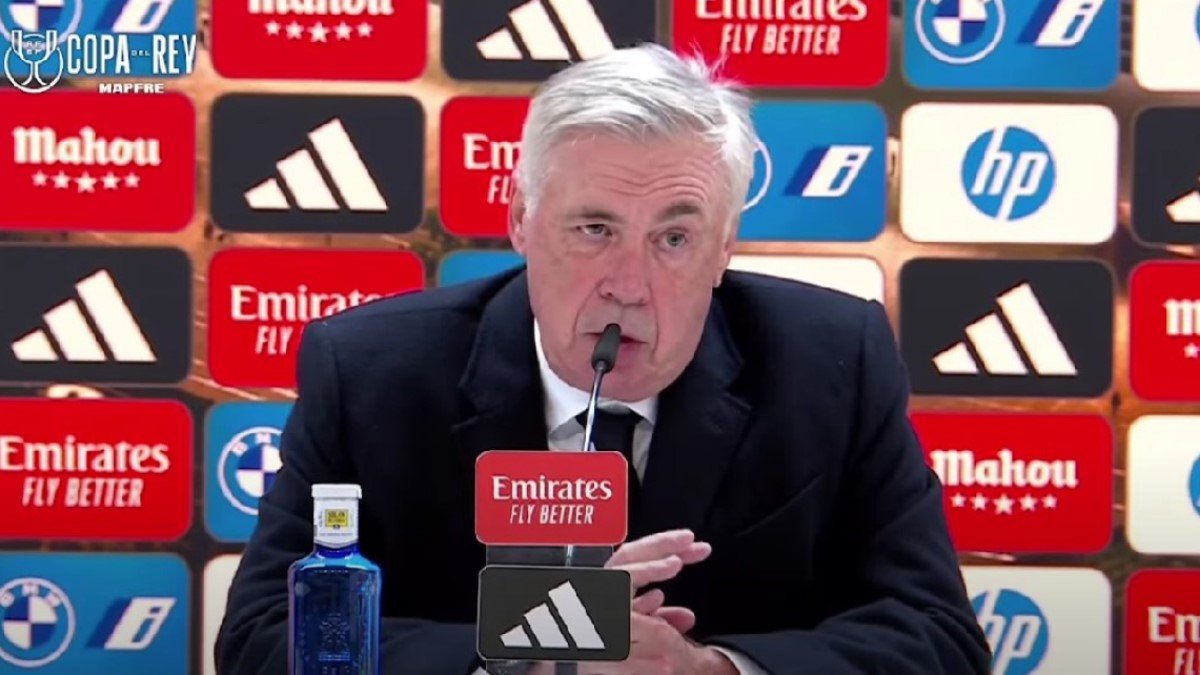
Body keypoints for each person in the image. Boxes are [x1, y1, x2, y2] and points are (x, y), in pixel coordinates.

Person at [215, 43, 992, 675]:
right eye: (595, 229)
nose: (630, 285)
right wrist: (531, 654)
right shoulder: (371, 372)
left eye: (674, 238)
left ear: (725, 245)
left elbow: (941, 639)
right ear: (521, 219)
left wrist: (709, 670)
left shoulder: (833, 361)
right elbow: (263, 638)